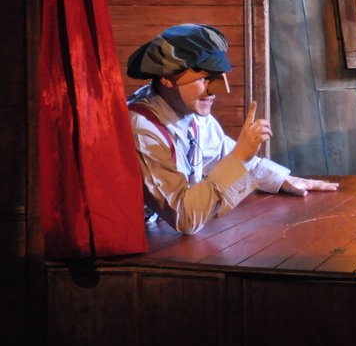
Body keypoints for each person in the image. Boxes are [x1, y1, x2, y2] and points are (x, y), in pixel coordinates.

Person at [126, 23, 338, 235]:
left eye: (218, 76)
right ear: (167, 77)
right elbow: (185, 217)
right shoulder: (142, 129)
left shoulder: (189, 110)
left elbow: (221, 153)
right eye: (204, 78)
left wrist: (282, 179)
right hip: (141, 237)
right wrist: (239, 157)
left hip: (166, 232)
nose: (219, 89)